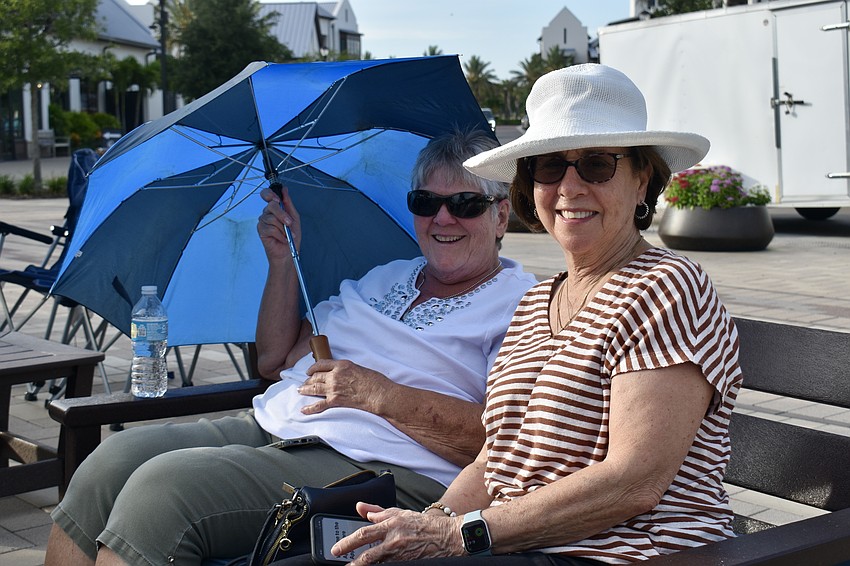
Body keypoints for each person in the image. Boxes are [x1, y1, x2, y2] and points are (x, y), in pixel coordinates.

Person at [44, 129, 537, 566]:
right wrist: (283, 261)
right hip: (272, 425)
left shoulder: (521, 305)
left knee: (162, 491)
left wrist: (381, 395)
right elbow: (276, 359)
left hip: (381, 468)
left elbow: (504, 442)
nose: (442, 217)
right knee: (111, 461)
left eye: (465, 204)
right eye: (425, 202)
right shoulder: (386, 277)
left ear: (500, 215)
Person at [325, 64, 743, 565]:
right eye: (548, 166)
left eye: (595, 164)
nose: (569, 186)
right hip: (519, 544)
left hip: (627, 553)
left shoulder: (666, 288)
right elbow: (493, 460)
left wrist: (459, 536)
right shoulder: (536, 302)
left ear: (641, 180)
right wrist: (431, 522)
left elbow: (635, 481)